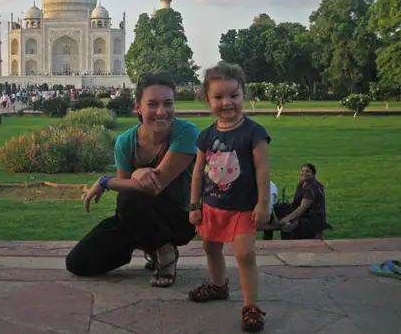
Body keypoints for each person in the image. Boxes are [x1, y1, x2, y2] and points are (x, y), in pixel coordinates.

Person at [65, 72, 200, 287]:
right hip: (142, 216)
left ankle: (166, 252)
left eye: (168, 104)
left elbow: (156, 185)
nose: (161, 112)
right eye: (152, 104)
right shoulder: (126, 142)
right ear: (138, 107)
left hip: (180, 219)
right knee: (78, 262)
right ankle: (152, 246)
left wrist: (105, 182)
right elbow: (127, 191)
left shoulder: (186, 133)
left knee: (129, 199)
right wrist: (136, 175)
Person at [188, 62, 271, 333]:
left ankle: (250, 307)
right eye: (219, 97)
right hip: (213, 205)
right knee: (210, 248)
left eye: (233, 96)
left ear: (244, 94)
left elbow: (262, 170)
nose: (227, 103)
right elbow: (198, 173)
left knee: (245, 254)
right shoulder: (206, 135)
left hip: (243, 208)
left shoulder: (254, 132)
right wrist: (194, 205)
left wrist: (262, 204)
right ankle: (218, 285)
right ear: (207, 99)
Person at [278, 163, 327, 239]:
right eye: (302, 171)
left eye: (307, 171)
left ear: (313, 174)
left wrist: (286, 219)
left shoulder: (311, 188)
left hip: (312, 219)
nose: (304, 173)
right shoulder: (302, 183)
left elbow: (302, 208)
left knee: (286, 228)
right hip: (305, 216)